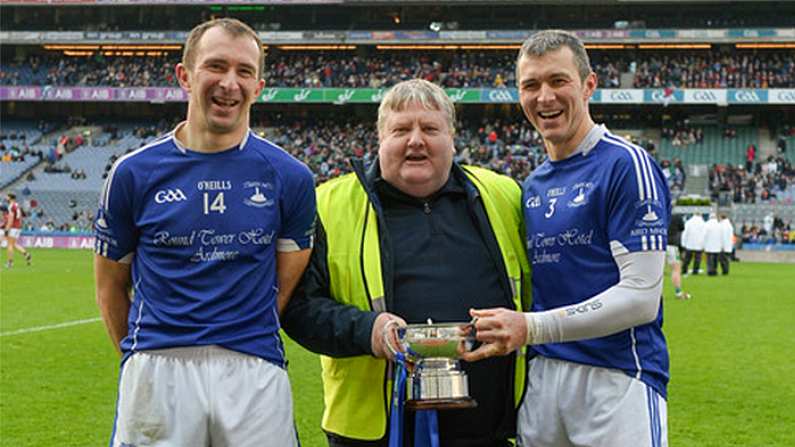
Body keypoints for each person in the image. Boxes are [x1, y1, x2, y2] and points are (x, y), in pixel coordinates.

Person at [93, 18, 316, 447]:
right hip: (158, 370)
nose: (229, 83)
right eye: (216, 66)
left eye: (244, 71)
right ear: (184, 76)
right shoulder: (132, 174)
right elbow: (109, 288)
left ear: (259, 86)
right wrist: (143, 353)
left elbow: (283, 285)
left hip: (253, 370)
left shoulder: (291, 177)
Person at [281, 79, 531, 447]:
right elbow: (298, 308)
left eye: (430, 128)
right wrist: (368, 330)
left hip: (488, 432)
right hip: (373, 436)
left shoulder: (504, 194)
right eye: (401, 129)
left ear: (452, 137)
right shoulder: (328, 205)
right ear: (380, 138)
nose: (416, 140)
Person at [460, 30, 671, 447]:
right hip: (544, 380)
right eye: (531, 85)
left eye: (558, 81)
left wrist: (531, 328)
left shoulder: (626, 165)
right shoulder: (533, 184)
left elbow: (642, 296)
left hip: (617, 378)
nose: (545, 98)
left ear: (588, 85)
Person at [4, 193, 32, 268]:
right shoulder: (17, 205)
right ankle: (26, 254)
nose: (6, 198)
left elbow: (11, 218)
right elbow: (22, 215)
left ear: (10, 198)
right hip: (18, 227)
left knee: (9, 245)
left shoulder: (11, 206)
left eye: (7, 197)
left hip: (13, 227)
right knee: (13, 244)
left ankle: (10, 263)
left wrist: (7, 228)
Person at [668, 212, 690, 299]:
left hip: (659, 245)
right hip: (672, 246)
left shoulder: (661, 215)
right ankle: (678, 292)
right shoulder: (677, 217)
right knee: (676, 269)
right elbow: (682, 228)